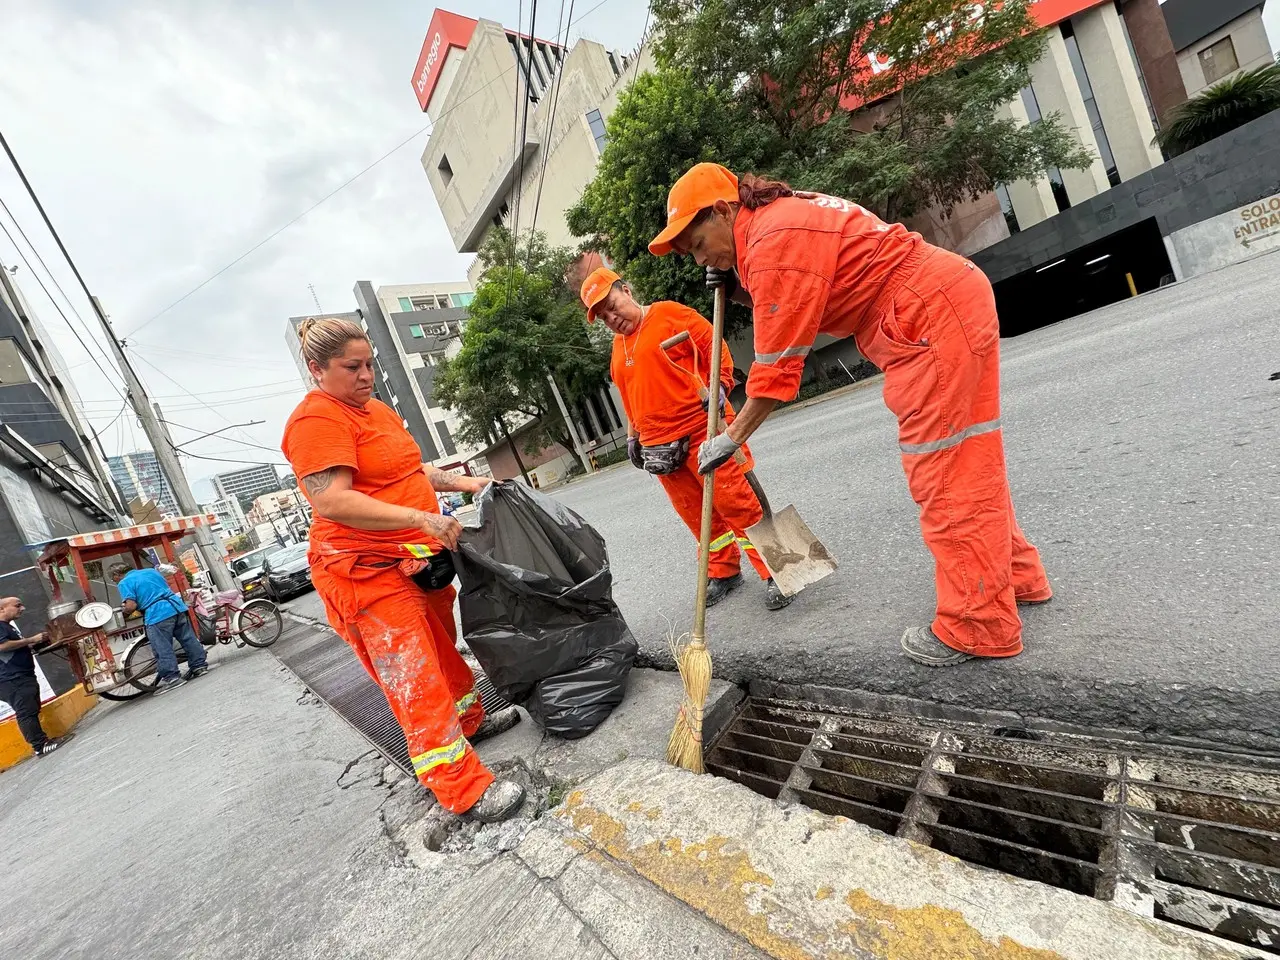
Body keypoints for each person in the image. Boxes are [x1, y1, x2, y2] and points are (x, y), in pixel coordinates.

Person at [649, 163, 1051, 667]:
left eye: (696, 243)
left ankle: (977, 622)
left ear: (725, 209)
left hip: (915, 320)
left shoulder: (749, 258)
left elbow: (765, 365)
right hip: (937, 304)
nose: (697, 258)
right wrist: (734, 286)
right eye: (687, 253)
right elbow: (811, 282)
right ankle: (1015, 577)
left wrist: (728, 430)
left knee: (945, 476)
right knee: (967, 464)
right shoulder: (774, 221)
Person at [282, 316, 525, 824]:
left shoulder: (375, 412)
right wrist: (420, 518)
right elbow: (332, 500)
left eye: (369, 363)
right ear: (316, 369)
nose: (367, 375)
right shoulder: (316, 422)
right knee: (416, 679)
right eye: (353, 367)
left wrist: (469, 484)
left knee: (441, 652)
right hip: (362, 572)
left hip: (413, 562)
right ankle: (461, 788)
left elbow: (412, 472)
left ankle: (470, 724)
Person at [580, 266, 790, 611]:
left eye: (612, 304)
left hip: (704, 431)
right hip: (661, 449)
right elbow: (630, 395)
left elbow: (714, 346)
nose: (611, 317)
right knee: (699, 516)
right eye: (603, 316)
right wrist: (634, 436)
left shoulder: (669, 315)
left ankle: (778, 569)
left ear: (627, 290)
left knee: (739, 505)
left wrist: (721, 386)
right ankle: (723, 571)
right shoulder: (619, 349)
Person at [110, 563, 207, 692]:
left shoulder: (124, 582)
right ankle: (199, 666)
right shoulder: (151, 571)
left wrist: (124, 615)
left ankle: (172, 678)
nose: (114, 581)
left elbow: (131, 606)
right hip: (176, 607)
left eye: (113, 579)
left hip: (157, 614)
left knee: (162, 647)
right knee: (188, 639)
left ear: (117, 575)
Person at [0, 597, 70, 757]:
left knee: (30, 708)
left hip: (20, 675)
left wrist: (33, 643)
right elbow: (2, 646)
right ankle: (40, 746)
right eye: (17, 605)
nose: (22, 608)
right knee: (25, 711)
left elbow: (13, 647)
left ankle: (41, 742)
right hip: (11, 678)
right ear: (2, 609)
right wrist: (31, 640)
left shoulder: (6, 627)